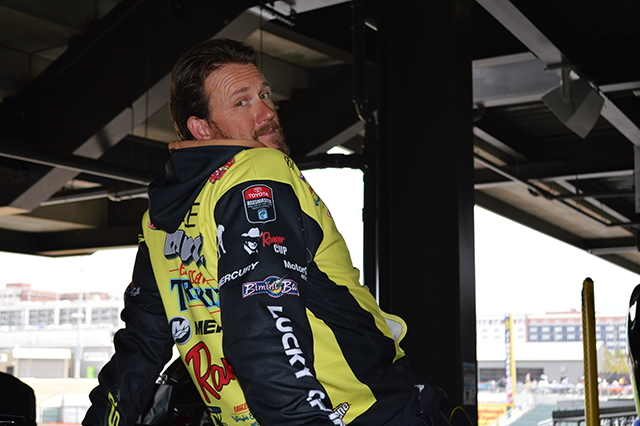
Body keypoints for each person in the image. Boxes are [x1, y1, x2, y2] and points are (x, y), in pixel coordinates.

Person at [83, 38, 446, 426]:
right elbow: (265, 322)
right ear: (201, 128)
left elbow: (140, 348)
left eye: (265, 95)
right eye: (242, 102)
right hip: (359, 413)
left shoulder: (159, 220)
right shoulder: (256, 169)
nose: (268, 112)